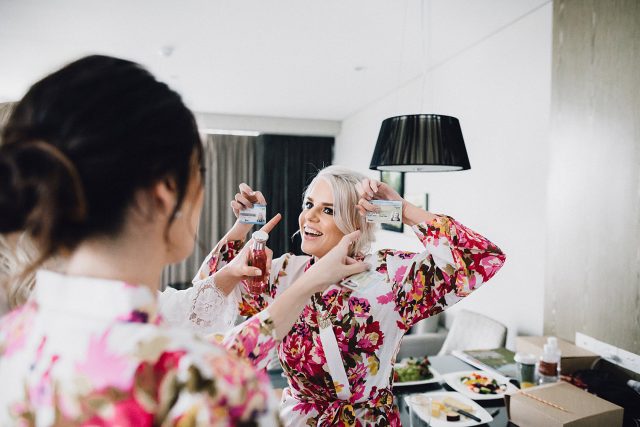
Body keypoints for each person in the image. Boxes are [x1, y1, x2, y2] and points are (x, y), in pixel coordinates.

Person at [0, 56, 369, 426]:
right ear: (166, 192)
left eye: (329, 209)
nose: (312, 216)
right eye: (199, 172)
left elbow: (188, 309)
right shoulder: (215, 390)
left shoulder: (11, 341)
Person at [201, 166, 506, 426]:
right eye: (309, 205)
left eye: (328, 210)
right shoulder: (280, 274)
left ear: (356, 222)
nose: (310, 217)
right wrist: (243, 226)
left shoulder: (390, 275)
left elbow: (481, 258)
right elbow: (205, 295)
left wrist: (402, 210)